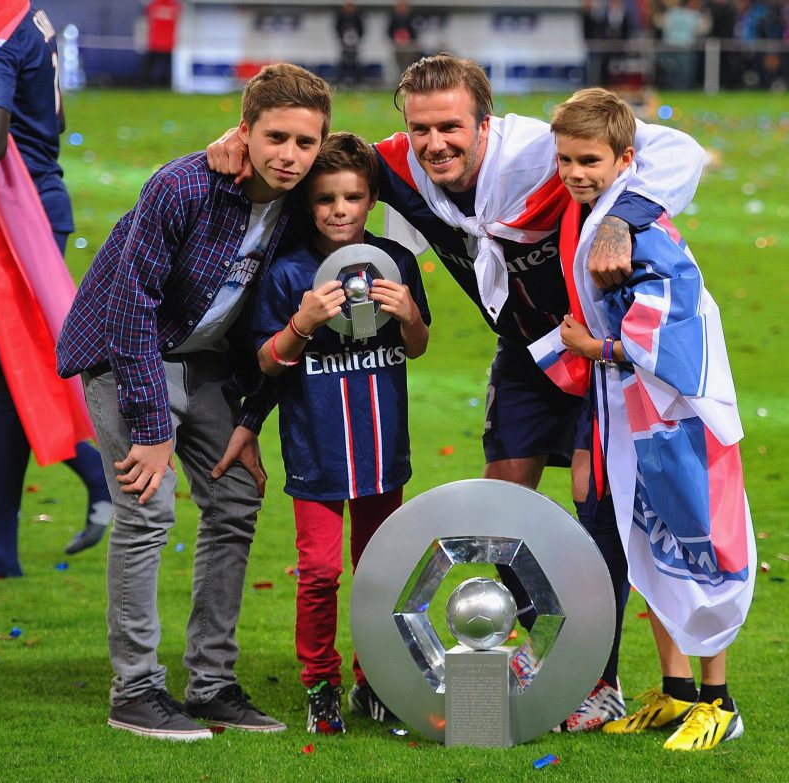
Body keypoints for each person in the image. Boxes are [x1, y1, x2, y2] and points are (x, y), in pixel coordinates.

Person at [207, 52, 706, 733]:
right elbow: (327, 165)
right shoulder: (399, 163)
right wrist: (233, 142)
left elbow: (677, 150)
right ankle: (542, 655)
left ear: (485, 120)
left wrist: (624, 216)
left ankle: (599, 677)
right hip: (524, 352)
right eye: (420, 128)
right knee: (503, 513)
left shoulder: (537, 147)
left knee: (599, 504)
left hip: (594, 344)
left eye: (450, 126)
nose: (434, 142)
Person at [56, 62, 332, 740]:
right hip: (129, 357)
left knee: (236, 500)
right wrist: (151, 429)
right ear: (245, 131)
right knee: (147, 509)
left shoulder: (303, 201)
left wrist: (248, 419)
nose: (290, 155)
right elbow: (130, 310)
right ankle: (136, 690)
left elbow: (267, 324)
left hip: (208, 364)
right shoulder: (181, 187)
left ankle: (211, 684)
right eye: (275, 138)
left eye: (305, 143)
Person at [550, 87, 756, 750]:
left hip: (674, 418)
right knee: (648, 544)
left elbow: (678, 327)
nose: (575, 173)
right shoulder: (600, 212)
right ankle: (676, 690)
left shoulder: (639, 228)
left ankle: (720, 701)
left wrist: (596, 348)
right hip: (628, 414)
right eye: (565, 160)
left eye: (589, 159)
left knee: (694, 543)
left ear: (625, 159)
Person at [253, 132, 430, 734]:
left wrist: (408, 315)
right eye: (325, 198)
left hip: (383, 449)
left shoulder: (396, 264)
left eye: (352, 197)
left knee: (379, 571)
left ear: (371, 199)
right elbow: (266, 361)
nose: (338, 209)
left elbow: (418, 345)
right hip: (317, 452)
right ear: (308, 202)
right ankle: (320, 684)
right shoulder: (287, 272)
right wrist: (301, 323)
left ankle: (373, 678)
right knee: (323, 573)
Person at [0, 1, 114, 579]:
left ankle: (2, 545)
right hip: (23, 208)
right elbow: (48, 121)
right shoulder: (26, 13)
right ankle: (85, 474)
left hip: (8, 222)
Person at [142, 0, 181, 88]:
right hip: (167, 42)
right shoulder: (174, 6)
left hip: (155, 41)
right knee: (165, 66)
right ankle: (165, 85)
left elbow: (147, 14)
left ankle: (146, 84)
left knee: (149, 65)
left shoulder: (154, 5)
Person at [387, 1, 420, 80]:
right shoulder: (393, 18)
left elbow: (414, 32)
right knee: (399, 65)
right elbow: (390, 31)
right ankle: (400, 81)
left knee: (410, 65)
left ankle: (411, 81)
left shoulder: (412, 18)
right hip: (398, 46)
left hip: (409, 46)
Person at [335, 1, 365, 86]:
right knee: (343, 62)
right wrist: (342, 38)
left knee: (356, 62)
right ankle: (340, 81)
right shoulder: (341, 16)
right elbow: (337, 28)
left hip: (355, 44)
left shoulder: (357, 16)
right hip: (344, 44)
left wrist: (357, 39)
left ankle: (358, 81)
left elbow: (361, 29)